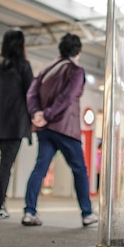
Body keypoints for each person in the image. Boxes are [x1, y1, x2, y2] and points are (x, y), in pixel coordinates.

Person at [21, 33, 97, 227]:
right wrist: (49, 114)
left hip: (45, 128)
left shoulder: (46, 68)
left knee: (40, 168)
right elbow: (67, 97)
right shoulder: (76, 71)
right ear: (78, 51)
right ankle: (87, 214)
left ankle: (29, 212)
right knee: (79, 170)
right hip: (65, 127)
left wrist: (37, 113)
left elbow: (31, 93)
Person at [0, 29, 33, 219]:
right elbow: (30, 94)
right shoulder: (23, 66)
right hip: (15, 122)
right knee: (5, 165)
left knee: (3, 164)